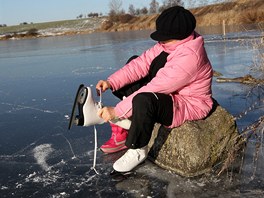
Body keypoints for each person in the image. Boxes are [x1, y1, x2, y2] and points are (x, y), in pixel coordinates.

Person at [96, 6, 213, 172]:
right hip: (171, 91)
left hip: (187, 103)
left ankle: (138, 148)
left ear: (180, 36)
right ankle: (133, 122)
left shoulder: (190, 58)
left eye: (164, 38)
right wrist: (111, 82)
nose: (161, 41)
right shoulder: (170, 44)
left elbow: (156, 87)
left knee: (144, 100)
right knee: (132, 63)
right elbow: (141, 64)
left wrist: (117, 112)